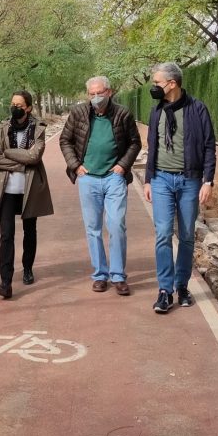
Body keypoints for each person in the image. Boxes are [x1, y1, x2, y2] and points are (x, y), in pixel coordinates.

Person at [143, 62, 216, 313]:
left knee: (185, 235)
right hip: (162, 179)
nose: (153, 87)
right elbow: (152, 147)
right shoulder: (156, 111)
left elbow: (209, 146)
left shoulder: (197, 109)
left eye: (156, 83)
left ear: (172, 83)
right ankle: (165, 290)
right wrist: (148, 179)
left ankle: (182, 285)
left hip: (189, 181)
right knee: (163, 233)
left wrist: (208, 180)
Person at [59, 75, 141, 295]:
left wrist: (123, 166)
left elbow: (135, 142)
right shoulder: (78, 113)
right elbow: (65, 140)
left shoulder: (122, 114)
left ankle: (118, 275)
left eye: (100, 93)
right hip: (88, 178)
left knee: (116, 225)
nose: (96, 97)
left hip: (114, 177)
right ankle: (100, 274)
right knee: (93, 228)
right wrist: (76, 166)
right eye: (92, 94)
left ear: (109, 92)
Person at [0, 91, 53, 299]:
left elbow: (35, 157)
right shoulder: (2, 128)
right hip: (6, 190)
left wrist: (9, 153)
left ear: (28, 108)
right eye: (12, 103)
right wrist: (21, 161)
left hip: (29, 188)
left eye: (19, 104)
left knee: (29, 231)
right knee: (6, 235)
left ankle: (27, 268)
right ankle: (5, 282)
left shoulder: (38, 129)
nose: (15, 107)